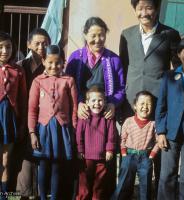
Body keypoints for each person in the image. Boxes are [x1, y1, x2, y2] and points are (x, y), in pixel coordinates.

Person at [66, 17, 125, 197]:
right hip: (82, 117)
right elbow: (67, 85)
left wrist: (113, 103)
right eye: (93, 35)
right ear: (85, 35)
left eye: (101, 35)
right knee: (82, 166)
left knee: (103, 169)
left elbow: (122, 87)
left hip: (104, 117)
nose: (97, 40)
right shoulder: (75, 57)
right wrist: (79, 104)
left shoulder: (113, 59)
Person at [28, 45, 77, 200]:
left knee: (57, 166)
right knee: (43, 165)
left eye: (58, 63)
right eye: (50, 62)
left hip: (62, 129)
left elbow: (75, 108)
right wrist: (32, 133)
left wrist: (74, 130)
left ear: (63, 62)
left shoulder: (68, 81)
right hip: (43, 129)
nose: (53, 66)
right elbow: (32, 109)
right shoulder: (38, 81)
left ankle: (54, 197)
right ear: (43, 61)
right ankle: (43, 197)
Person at [155, 36, 184, 200]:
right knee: (167, 175)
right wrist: (160, 131)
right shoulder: (169, 76)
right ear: (179, 54)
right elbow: (161, 106)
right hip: (170, 134)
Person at [120, 0, 181, 119]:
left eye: (149, 8)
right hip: (131, 99)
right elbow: (122, 66)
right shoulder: (126, 34)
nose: (144, 13)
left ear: (157, 9)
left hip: (158, 98)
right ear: (135, 10)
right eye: (140, 8)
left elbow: (178, 68)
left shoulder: (170, 34)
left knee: (156, 136)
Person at [16, 28, 51, 199]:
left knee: (40, 156)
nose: (41, 47)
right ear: (28, 44)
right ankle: (17, 194)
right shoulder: (20, 67)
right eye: (37, 43)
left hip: (44, 120)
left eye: (45, 43)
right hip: (22, 118)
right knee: (22, 158)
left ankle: (38, 194)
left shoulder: (52, 67)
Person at [112, 91, 159, 200]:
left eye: (148, 104)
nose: (145, 107)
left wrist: (152, 155)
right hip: (129, 156)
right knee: (123, 184)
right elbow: (122, 138)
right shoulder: (128, 121)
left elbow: (158, 141)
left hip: (145, 158)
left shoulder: (153, 124)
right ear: (135, 106)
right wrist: (124, 154)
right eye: (142, 104)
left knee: (145, 186)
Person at [76, 85, 117, 200]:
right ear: (87, 102)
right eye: (93, 100)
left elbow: (111, 135)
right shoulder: (84, 117)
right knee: (84, 185)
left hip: (101, 158)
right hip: (86, 158)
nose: (97, 103)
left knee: (99, 185)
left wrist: (109, 149)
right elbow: (79, 135)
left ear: (105, 102)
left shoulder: (107, 117)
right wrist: (80, 150)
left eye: (100, 100)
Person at [0, 31, 27, 199]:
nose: (4, 51)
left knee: (6, 158)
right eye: (1, 47)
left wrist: (23, 122)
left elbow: (23, 98)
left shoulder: (18, 70)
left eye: (8, 47)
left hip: (9, 118)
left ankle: (4, 195)